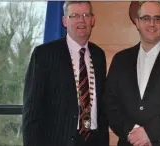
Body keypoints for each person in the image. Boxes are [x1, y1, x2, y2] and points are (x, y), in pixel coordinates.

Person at [103, 1, 160, 146]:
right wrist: (133, 133)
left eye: (157, 18)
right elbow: (109, 102)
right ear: (137, 22)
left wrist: (149, 133)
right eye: (146, 18)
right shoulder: (121, 59)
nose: (151, 24)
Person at [22, 1, 109, 146]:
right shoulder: (44, 54)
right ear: (64, 21)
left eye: (86, 15)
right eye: (74, 15)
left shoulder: (99, 55)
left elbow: (101, 107)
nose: (81, 20)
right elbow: (32, 111)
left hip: (94, 140)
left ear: (93, 20)